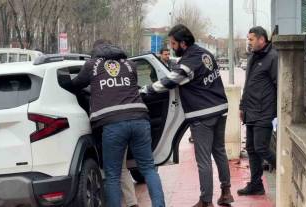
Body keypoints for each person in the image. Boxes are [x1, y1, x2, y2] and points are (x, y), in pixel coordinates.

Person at [140, 24, 234, 207]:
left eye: (173, 43)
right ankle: (226, 192)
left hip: (202, 114)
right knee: (219, 152)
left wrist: (146, 89)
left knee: (204, 159)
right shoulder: (205, 53)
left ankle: (206, 201)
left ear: (183, 43)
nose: (172, 47)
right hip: (220, 109)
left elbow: (169, 81)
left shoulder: (189, 62)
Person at [71, 40, 165, 207]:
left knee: (112, 175)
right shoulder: (129, 64)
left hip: (113, 125)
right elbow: (127, 87)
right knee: (149, 168)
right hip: (140, 119)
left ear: (96, 52)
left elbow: (76, 84)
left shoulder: (92, 65)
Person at [237, 26, 278, 196]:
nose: (249, 42)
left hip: (265, 111)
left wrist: (276, 112)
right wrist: (242, 106)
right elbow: (248, 85)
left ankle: (284, 167)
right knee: (251, 148)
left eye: (251, 39)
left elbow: (278, 85)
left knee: (261, 147)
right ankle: (256, 184)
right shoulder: (253, 56)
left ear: (262, 39)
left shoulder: (273, 57)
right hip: (250, 110)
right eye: (248, 39)